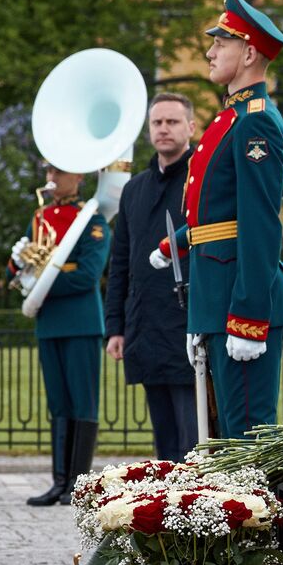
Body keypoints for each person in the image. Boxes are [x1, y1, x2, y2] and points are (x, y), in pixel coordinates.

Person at [151, 0, 283, 440]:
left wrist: (248, 318)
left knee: (246, 440)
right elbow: (216, 214)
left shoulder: (256, 120)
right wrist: (174, 244)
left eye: (221, 43)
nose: (209, 52)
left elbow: (259, 223)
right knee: (224, 441)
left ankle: (260, 516)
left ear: (251, 52)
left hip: (240, 302)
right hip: (215, 297)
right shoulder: (231, 117)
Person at [105, 93, 199, 463]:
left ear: (191, 127)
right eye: (157, 122)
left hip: (188, 323)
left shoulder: (201, 180)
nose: (163, 129)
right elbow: (120, 263)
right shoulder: (134, 189)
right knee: (164, 444)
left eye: (172, 122)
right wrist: (116, 326)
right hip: (145, 326)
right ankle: (168, 509)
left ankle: (196, 509)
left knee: (194, 443)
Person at [10, 164, 110, 506]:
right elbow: (25, 265)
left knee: (81, 401)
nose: (52, 177)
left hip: (80, 321)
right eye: (49, 170)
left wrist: (42, 282)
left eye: (59, 172)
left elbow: (87, 275)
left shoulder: (91, 220)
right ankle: (58, 481)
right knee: (58, 403)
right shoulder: (40, 218)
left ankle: (77, 484)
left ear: (79, 177)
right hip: (50, 321)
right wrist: (18, 263)